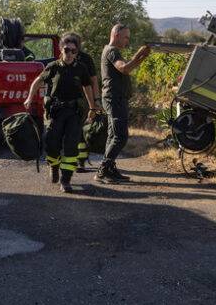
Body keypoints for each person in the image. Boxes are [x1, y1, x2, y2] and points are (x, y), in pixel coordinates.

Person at [24, 34, 99, 192]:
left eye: (73, 51)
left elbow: (87, 87)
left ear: (76, 52)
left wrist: (92, 107)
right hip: (56, 112)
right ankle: (54, 166)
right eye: (67, 50)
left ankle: (66, 180)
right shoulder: (53, 67)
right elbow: (38, 81)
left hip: (74, 112)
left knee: (71, 147)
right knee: (52, 144)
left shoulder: (81, 68)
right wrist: (29, 98)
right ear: (61, 49)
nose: (70, 53)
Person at [94, 24, 151, 183]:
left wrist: (142, 57)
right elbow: (124, 68)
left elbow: (127, 69)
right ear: (116, 35)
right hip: (114, 99)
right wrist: (139, 54)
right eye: (126, 37)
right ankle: (103, 170)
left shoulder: (112, 51)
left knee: (113, 135)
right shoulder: (112, 51)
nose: (127, 40)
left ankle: (109, 168)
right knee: (120, 136)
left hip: (117, 99)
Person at [65, 32, 101, 172]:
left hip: (83, 101)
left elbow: (93, 80)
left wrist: (96, 101)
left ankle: (80, 161)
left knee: (80, 131)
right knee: (71, 132)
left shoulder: (86, 59)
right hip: (67, 101)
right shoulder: (62, 58)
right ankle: (75, 160)